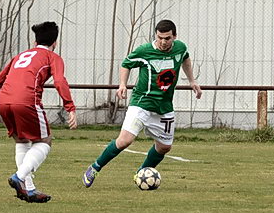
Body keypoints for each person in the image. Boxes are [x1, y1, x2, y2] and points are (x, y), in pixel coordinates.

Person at [82, 19, 202, 187]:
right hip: (142, 102)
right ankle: (95, 168)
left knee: (164, 147)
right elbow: (126, 64)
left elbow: (185, 58)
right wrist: (122, 84)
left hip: (164, 106)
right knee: (124, 141)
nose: (163, 42)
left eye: (167, 38)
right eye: (160, 37)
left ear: (174, 36)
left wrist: (192, 80)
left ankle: (141, 173)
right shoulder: (144, 51)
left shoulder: (180, 48)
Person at [0, 22, 77, 203]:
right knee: (44, 141)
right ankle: (19, 177)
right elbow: (59, 81)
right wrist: (70, 107)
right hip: (27, 101)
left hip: (4, 101)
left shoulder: (20, 56)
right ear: (55, 43)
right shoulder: (53, 57)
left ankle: (29, 189)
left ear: (35, 42)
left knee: (22, 140)